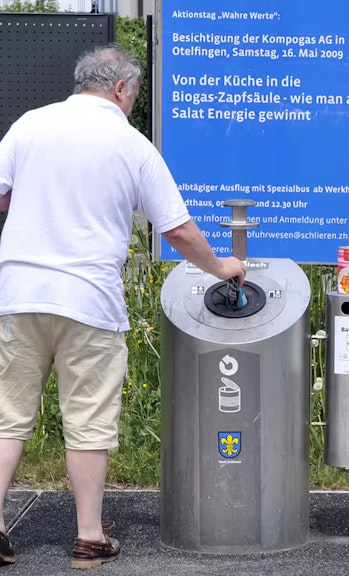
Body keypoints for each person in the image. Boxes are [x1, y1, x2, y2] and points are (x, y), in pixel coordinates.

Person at [0, 44, 246, 569]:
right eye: (133, 96)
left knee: (8, 417)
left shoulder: (28, 126)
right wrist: (221, 268)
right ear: (120, 89)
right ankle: (90, 538)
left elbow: (0, 194)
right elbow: (176, 229)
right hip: (89, 301)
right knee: (88, 420)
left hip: (19, 295)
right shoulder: (131, 144)